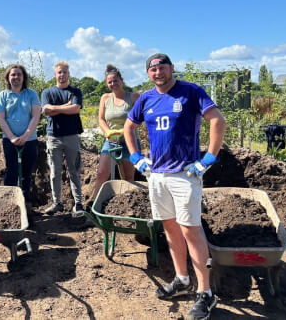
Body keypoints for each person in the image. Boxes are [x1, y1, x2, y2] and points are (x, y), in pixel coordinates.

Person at [124, 53, 226, 320]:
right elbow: (128, 128)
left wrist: (208, 160)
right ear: (148, 73)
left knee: (192, 232)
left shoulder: (190, 92)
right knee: (170, 229)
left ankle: (205, 293)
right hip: (157, 176)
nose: (158, 72)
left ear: (171, 68)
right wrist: (136, 157)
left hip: (185, 175)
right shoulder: (146, 99)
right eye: (153, 69)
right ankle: (182, 280)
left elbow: (217, 120)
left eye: (162, 67)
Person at [40, 61, 85, 219]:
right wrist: (65, 106)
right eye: (59, 72)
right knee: (55, 172)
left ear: (68, 74)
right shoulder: (47, 92)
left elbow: (75, 109)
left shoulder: (75, 92)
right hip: (53, 137)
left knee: (74, 171)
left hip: (72, 135)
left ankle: (78, 203)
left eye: (64, 72)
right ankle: (56, 202)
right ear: (55, 74)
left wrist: (56, 108)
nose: (62, 75)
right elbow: (46, 111)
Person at [91, 65, 141, 202]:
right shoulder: (105, 98)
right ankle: (94, 205)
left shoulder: (134, 97)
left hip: (130, 141)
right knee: (102, 173)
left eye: (115, 80)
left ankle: (127, 206)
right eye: (110, 82)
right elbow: (101, 119)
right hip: (111, 140)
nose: (113, 84)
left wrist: (125, 130)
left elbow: (141, 119)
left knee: (128, 178)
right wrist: (108, 132)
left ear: (121, 80)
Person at [0, 64, 41, 205]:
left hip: (30, 140)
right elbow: (1, 118)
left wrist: (26, 136)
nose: (16, 77)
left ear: (23, 77)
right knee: (12, 171)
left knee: (26, 174)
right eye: (13, 75)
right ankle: (10, 204)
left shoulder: (31, 94)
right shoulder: (3, 95)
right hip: (10, 140)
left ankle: (26, 203)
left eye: (19, 74)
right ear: (8, 78)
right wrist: (12, 137)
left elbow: (36, 115)